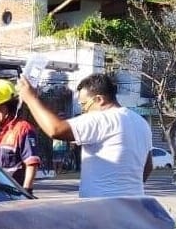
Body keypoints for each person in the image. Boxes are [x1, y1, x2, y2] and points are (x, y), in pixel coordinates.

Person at [17, 72, 152, 198]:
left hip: (102, 207)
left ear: (99, 99)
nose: (83, 111)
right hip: (134, 204)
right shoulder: (141, 122)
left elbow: (55, 129)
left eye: (84, 105)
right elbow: (148, 165)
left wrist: (31, 99)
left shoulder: (102, 118)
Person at [0, 79, 41, 193]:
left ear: (10, 107)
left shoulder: (23, 129)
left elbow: (31, 164)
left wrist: (27, 190)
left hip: (14, 194)